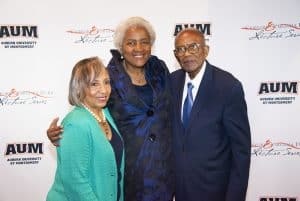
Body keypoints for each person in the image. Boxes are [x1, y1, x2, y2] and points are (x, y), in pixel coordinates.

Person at [47, 17, 174, 201]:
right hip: (128, 175)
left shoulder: (160, 69)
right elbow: (83, 119)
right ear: (121, 47)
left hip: (162, 175)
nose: (138, 48)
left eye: (144, 42)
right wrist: (59, 135)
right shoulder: (110, 76)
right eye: (131, 43)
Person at [170, 28, 251, 201]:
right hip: (179, 190)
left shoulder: (228, 87)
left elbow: (241, 151)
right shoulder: (171, 83)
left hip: (215, 192)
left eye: (193, 47)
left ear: (206, 50)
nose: (187, 54)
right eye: (181, 49)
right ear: (176, 55)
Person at [47, 57, 124, 201]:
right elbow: (76, 182)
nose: (103, 90)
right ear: (79, 88)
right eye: (94, 84)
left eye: (106, 82)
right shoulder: (75, 123)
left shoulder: (105, 113)